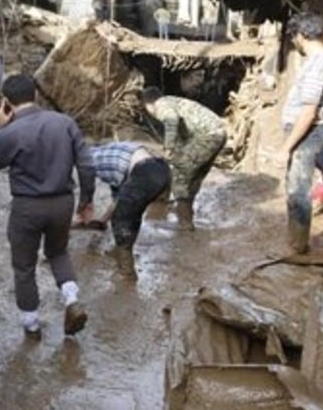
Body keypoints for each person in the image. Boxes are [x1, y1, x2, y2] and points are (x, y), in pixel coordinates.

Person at [0, 74, 93, 339]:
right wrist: (86, 201)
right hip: (63, 203)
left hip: (27, 206)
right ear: (36, 95)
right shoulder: (64, 122)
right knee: (57, 252)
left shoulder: (10, 132)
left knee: (24, 266)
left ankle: (31, 324)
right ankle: (70, 298)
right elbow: (87, 165)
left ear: (6, 102)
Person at [277, 11, 323, 253]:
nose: (294, 43)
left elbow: (308, 113)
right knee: (296, 186)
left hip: (306, 133)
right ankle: (295, 241)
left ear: (301, 35)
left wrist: (285, 148)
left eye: (294, 38)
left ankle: (297, 247)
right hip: (309, 132)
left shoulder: (316, 65)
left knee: (298, 190)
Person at [81, 141, 172, 279]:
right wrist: (103, 220)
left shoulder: (91, 160)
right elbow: (119, 198)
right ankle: (120, 250)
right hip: (162, 170)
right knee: (130, 213)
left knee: (122, 220)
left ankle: (126, 271)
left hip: (146, 172)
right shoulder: (109, 153)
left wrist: (83, 206)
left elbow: (86, 188)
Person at [140, 87, 226, 230]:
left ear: (148, 104)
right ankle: (186, 214)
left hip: (207, 136)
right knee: (194, 176)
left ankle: (185, 223)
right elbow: (182, 139)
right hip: (217, 134)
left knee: (180, 175)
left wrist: (168, 148)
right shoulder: (174, 102)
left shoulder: (161, 104)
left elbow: (171, 120)